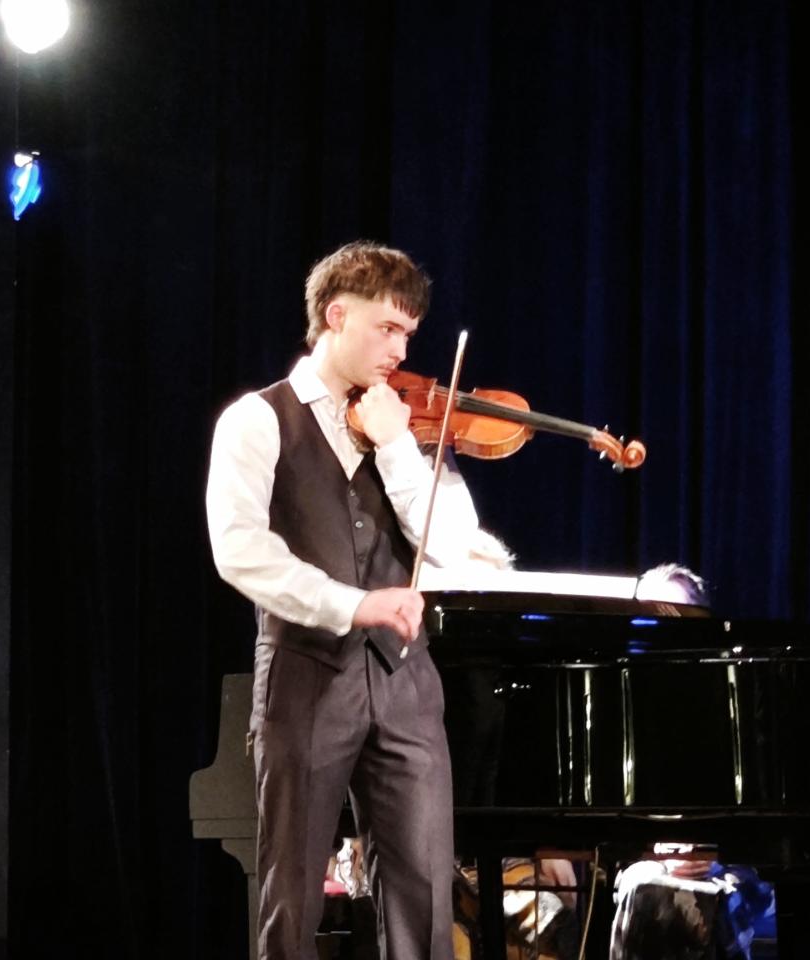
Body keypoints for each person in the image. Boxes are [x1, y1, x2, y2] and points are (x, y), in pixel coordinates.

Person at [206, 241, 488, 960]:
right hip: (306, 677)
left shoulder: (410, 426)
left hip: (406, 684)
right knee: (293, 895)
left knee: (426, 894)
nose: (401, 350)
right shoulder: (257, 420)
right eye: (387, 329)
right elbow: (240, 550)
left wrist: (396, 450)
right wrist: (353, 604)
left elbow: (454, 546)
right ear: (336, 315)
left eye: (409, 334)